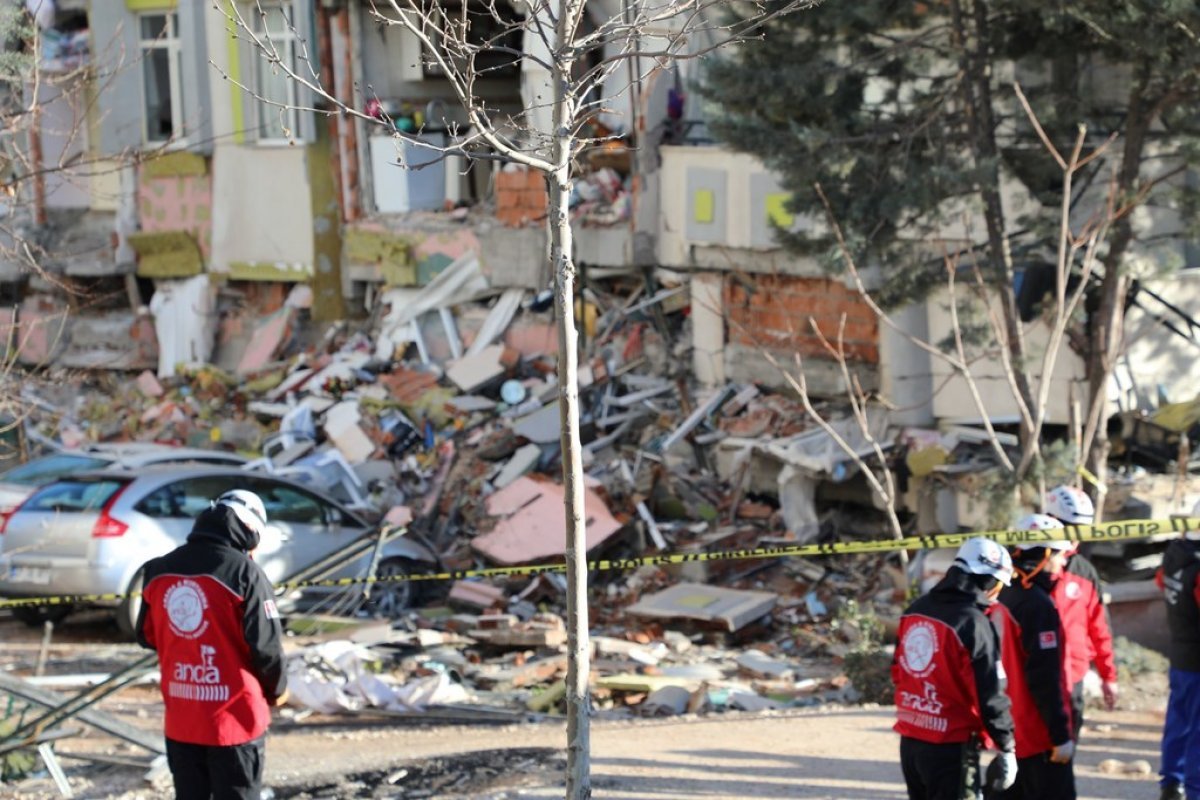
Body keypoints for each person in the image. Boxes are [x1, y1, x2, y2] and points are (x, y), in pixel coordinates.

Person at [136, 489, 288, 800]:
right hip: (235, 721)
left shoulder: (157, 570)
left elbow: (147, 636)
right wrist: (278, 689)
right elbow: (267, 648)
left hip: (182, 719)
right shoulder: (246, 573)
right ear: (251, 531)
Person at [893, 537, 1018, 799]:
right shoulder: (973, 624)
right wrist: (1006, 745)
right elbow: (990, 692)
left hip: (911, 742)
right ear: (990, 581)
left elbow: (898, 671)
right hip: (950, 746)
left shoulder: (915, 610)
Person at [987, 514, 1076, 800]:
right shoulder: (1036, 605)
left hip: (1009, 729)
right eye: (1060, 555)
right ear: (1045, 554)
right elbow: (1044, 678)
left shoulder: (1003, 592)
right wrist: (1060, 735)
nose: (1062, 564)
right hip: (1037, 736)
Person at [1044, 484, 1119, 731]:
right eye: (1069, 527)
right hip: (1031, 675)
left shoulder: (1085, 572)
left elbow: (1100, 628)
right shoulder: (1022, 569)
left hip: (1072, 676)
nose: (1074, 536)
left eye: (1080, 530)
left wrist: (1108, 676)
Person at [1155, 500, 1200, 800]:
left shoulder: (1174, 557)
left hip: (1181, 653)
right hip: (1197, 659)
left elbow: (1161, 582)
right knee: (1197, 731)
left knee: (1179, 721)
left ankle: (1171, 782)